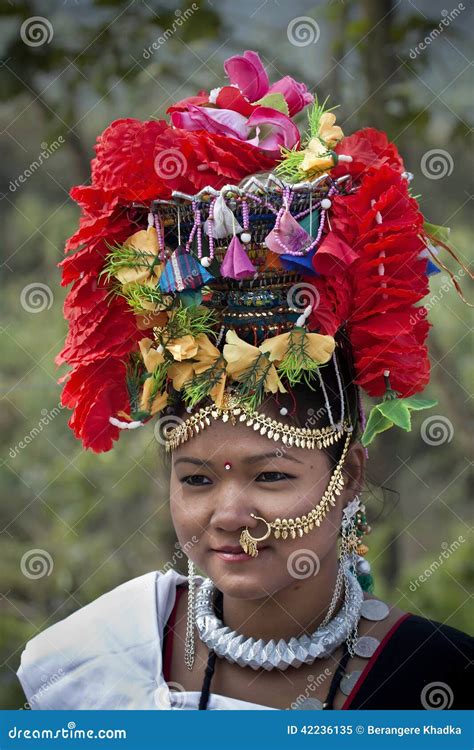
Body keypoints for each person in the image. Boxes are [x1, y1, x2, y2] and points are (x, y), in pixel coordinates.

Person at [16, 49, 472, 711]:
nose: (228, 514)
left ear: (349, 475)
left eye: (271, 476)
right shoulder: (95, 664)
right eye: (196, 478)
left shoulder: (440, 679)